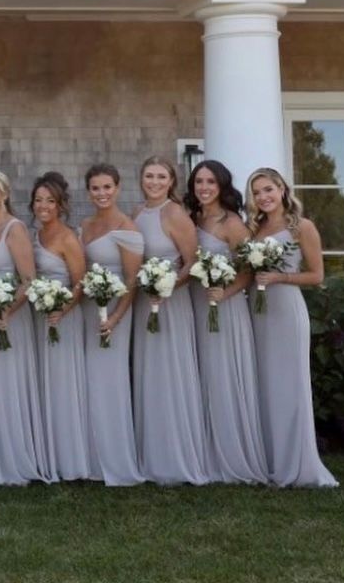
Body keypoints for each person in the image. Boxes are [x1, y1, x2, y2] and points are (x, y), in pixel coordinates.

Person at [245, 167, 337, 488]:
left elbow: (317, 276)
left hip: (285, 309)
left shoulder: (302, 227)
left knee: (288, 385)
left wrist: (279, 277)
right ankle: (268, 461)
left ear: (282, 189)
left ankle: (295, 464)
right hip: (257, 313)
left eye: (268, 189)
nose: (263, 197)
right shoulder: (253, 229)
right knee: (263, 385)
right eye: (257, 192)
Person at [184, 160, 268, 485]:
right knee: (201, 377)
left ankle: (231, 456)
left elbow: (248, 271)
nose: (204, 188)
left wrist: (225, 293)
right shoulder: (192, 218)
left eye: (210, 182)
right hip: (196, 304)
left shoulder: (232, 223)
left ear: (221, 187)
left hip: (224, 309)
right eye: (198, 182)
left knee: (222, 376)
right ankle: (204, 451)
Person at [133, 156, 210, 485]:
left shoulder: (175, 213)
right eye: (148, 175)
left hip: (170, 303)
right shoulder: (138, 213)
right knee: (148, 373)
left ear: (171, 181)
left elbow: (192, 263)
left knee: (169, 373)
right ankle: (149, 454)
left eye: (161, 176)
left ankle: (175, 457)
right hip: (143, 302)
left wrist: (166, 288)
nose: (154, 181)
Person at [0, 169, 50, 485]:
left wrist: (7, 310)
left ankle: (12, 458)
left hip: (9, 320)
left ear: (4, 193)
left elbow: (29, 280)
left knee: (8, 384)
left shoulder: (14, 229)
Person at [79, 164, 144, 486]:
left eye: (107, 187)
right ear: (88, 191)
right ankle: (91, 457)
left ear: (117, 188)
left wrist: (117, 318)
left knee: (110, 379)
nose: (102, 193)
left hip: (116, 310)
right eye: (95, 188)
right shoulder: (86, 224)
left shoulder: (126, 227)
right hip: (90, 308)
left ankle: (115, 462)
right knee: (90, 380)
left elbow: (132, 280)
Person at [30, 172, 91, 481]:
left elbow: (80, 283)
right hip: (41, 317)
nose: (43, 206)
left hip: (63, 319)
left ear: (60, 205)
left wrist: (62, 311)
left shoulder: (68, 238)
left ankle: (69, 459)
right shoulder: (35, 235)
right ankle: (47, 453)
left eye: (50, 201)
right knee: (45, 383)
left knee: (63, 384)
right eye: (39, 200)